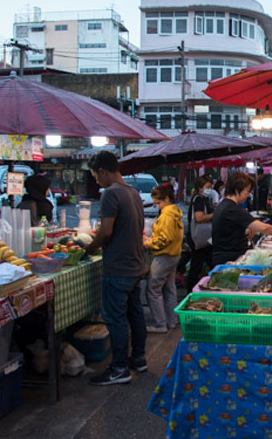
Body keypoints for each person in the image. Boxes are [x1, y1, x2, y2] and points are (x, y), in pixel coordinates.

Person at [84, 151, 147, 386]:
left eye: (95, 176)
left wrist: (90, 248)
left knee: (116, 319)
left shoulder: (110, 194)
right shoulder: (133, 193)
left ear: (102, 171)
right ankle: (139, 359)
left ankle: (119, 368)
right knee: (135, 314)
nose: (96, 182)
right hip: (135, 263)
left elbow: (106, 231)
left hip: (118, 267)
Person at [212, 172, 272, 265]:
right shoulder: (231, 208)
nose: (248, 195)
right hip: (229, 260)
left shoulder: (224, 205)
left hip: (226, 255)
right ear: (237, 190)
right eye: (247, 191)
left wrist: (244, 231)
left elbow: (227, 230)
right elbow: (264, 228)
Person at [143, 183, 183, 333]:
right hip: (174, 255)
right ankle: (172, 320)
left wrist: (149, 243)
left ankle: (160, 324)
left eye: (158, 203)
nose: (158, 206)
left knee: (153, 290)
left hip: (164, 256)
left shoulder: (166, 215)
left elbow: (165, 239)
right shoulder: (175, 212)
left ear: (166, 199)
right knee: (169, 288)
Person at [187, 177, 214, 292]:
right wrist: (214, 214)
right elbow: (199, 217)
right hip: (199, 238)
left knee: (210, 262)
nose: (210, 189)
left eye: (210, 187)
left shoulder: (205, 199)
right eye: (207, 187)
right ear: (200, 188)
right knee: (196, 266)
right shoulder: (198, 200)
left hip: (205, 239)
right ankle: (191, 291)